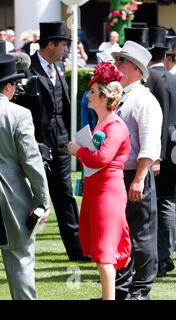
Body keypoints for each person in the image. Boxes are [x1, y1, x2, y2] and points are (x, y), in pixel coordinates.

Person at [17, 21, 87, 261]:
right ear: (50, 44)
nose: (67, 49)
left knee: (65, 195)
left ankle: (77, 250)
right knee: (32, 196)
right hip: (35, 143)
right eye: (64, 45)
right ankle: (22, 248)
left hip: (60, 141)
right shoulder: (27, 69)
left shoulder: (58, 68)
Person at [68, 62, 131, 300]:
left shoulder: (114, 125)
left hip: (108, 192)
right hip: (96, 190)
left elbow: (102, 158)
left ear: (105, 97)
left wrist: (78, 151)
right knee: (100, 248)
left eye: (93, 92)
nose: (89, 95)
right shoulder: (101, 123)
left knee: (105, 251)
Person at [112, 41, 162, 300]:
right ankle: (122, 288)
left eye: (120, 61)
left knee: (142, 233)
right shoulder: (125, 96)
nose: (116, 65)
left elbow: (149, 145)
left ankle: (141, 289)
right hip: (121, 173)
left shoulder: (144, 100)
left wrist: (139, 179)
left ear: (133, 67)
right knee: (123, 232)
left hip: (135, 174)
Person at [0, 54, 50, 300]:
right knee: (20, 261)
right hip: (11, 196)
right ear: (8, 85)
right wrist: (43, 200)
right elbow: (31, 162)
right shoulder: (18, 114)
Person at [147, 26, 176, 277]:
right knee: (168, 202)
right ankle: (167, 252)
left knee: (157, 203)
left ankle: (162, 255)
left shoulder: (152, 79)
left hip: (158, 147)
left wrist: (157, 153)